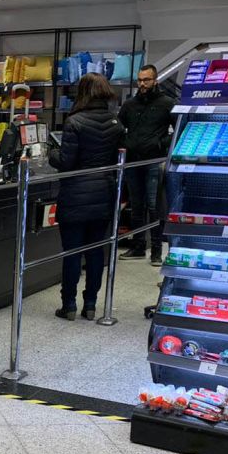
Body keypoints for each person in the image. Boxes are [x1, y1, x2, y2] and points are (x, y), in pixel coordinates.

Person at [49, 72, 123, 322]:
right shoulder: (116, 123)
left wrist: (52, 154)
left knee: (71, 252)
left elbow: (67, 162)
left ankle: (68, 305)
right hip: (104, 193)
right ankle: (90, 304)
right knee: (95, 252)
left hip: (75, 195)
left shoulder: (74, 122)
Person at [117, 64, 175, 265]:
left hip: (154, 161)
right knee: (136, 206)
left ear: (155, 80)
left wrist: (162, 144)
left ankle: (157, 251)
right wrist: (125, 144)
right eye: (140, 80)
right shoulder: (129, 105)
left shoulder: (167, 103)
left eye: (146, 80)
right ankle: (138, 246)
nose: (142, 84)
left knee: (154, 206)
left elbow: (178, 130)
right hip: (133, 161)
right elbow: (119, 128)